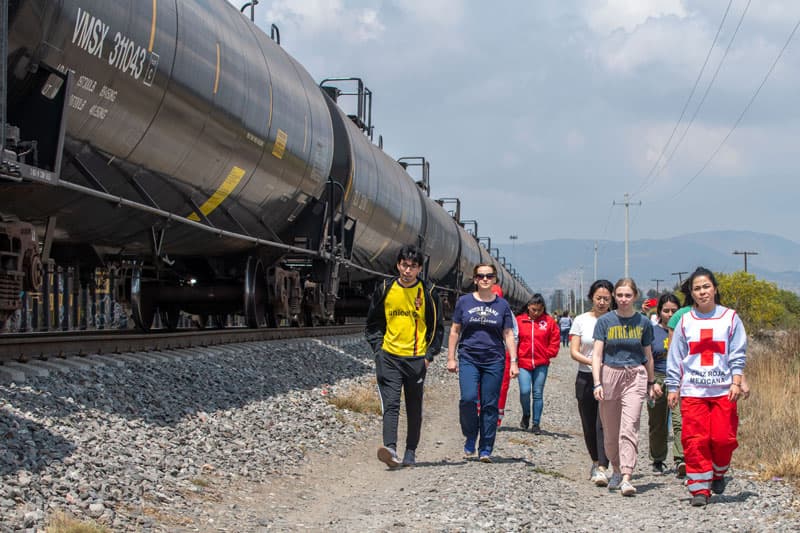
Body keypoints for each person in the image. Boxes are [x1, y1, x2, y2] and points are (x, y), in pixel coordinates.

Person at [666, 267, 747, 507]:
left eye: (706, 287)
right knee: (695, 439)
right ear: (691, 293)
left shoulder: (730, 318)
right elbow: (676, 356)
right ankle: (700, 488)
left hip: (723, 390)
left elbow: (737, 352)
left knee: (723, 439)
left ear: (714, 289)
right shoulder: (685, 321)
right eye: (697, 288)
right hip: (693, 391)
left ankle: (718, 471)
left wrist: (737, 380)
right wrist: (673, 386)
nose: (702, 292)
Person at [365, 245, 444, 468]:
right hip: (389, 357)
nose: (407, 270)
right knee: (390, 404)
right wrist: (378, 350)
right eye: (404, 265)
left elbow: (437, 328)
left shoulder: (428, 293)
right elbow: (372, 323)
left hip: (416, 359)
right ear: (398, 265)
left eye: (413, 266)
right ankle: (390, 448)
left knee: (413, 406)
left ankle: (410, 451)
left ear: (420, 268)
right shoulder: (385, 288)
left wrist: (428, 356)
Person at [592, 278, 658, 497]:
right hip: (610, 374)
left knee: (630, 426)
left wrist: (651, 382)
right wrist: (597, 382)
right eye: (619, 295)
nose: (623, 299)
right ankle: (617, 469)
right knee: (610, 431)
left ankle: (628, 477)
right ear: (614, 297)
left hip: (635, 375)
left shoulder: (643, 323)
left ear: (635, 297)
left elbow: (648, 355)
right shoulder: (605, 322)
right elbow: (598, 354)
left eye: (627, 295)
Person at [447, 263, 518, 462]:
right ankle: (470, 435)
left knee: (490, 404)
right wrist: (451, 358)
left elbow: (508, 334)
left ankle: (486, 447)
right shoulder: (464, 302)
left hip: (494, 359)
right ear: (475, 279)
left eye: (489, 276)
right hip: (469, 357)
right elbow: (454, 330)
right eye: (481, 276)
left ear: (495, 279)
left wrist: (514, 361)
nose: (485, 279)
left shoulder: (502, 305)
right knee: (468, 398)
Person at [569, 280, 614, 486]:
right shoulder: (581, 320)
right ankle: (595, 461)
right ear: (591, 298)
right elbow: (574, 351)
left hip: (610, 378)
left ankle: (604, 465)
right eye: (599, 298)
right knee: (588, 424)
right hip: (586, 377)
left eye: (606, 298)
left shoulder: (616, 320)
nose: (602, 302)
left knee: (603, 423)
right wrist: (593, 362)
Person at [646, 293, 685, 477]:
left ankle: (681, 459)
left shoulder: (685, 330)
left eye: (674, 311)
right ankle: (658, 459)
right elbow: (647, 358)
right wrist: (651, 382)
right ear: (659, 312)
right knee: (658, 422)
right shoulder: (653, 331)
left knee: (680, 421)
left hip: (679, 379)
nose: (670, 314)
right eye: (666, 310)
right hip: (658, 378)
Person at [514, 294, 560, 433]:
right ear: (528, 307)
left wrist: (549, 353)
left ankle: (536, 423)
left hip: (541, 363)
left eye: (539, 310)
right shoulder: (519, 321)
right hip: (523, 362)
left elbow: (555, 339)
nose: (536, 313)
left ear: (543, 309)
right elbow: (514, 338)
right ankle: (526, 413)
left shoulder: (549, 322)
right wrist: (514, 358)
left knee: (538, 393)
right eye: (533, 309)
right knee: (524, 391)